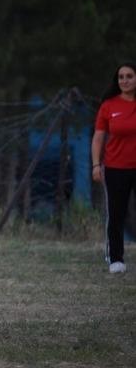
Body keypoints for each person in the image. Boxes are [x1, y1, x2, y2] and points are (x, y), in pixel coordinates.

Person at [91, 61, 136, 275]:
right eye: (121, 77)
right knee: (116, 214)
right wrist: (96, 165)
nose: (125, 80)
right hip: (116, 168)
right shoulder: (109, 106)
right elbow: (98, 138)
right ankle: (116, 258)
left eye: (129, 76)